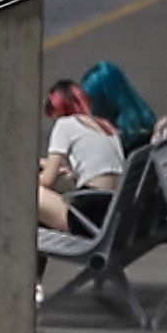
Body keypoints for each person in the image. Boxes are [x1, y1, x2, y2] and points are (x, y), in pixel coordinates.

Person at [36, 83, 126, 237]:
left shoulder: (64, 124)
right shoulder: (106, 127)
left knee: (31, 195)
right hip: (111, 211)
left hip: (89, 216)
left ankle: (30, 257)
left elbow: (46, 180)